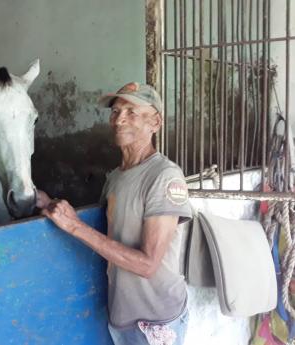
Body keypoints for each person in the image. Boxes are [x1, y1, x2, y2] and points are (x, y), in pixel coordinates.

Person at [36, 82, 192, 345]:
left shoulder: (164, 177)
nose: (119, 120)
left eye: (131, 112)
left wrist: (74, 226)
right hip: (122, 317)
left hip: (155, 322)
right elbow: (110, 237)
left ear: (155, 122)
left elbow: (147, 264)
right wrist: (51, 204)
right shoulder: (116, 177)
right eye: (115, 112)